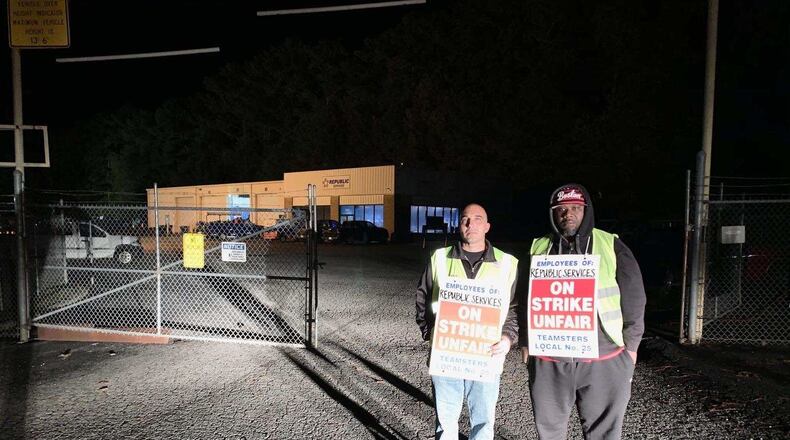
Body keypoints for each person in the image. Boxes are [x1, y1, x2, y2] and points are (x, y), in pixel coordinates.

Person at [519, 184, 646, 440]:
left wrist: (631, 347)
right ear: (553, 214)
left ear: (586, 211)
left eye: (576, 208)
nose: (568, 214)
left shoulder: (611, 244)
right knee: (549, 431)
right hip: (550, 359)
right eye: (562, 209)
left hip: (604, 359)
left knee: (604, 433)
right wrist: (525, 341)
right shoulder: (538, 247)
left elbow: (634, 297)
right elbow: (524, 297)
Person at [416, 203, 519, 440]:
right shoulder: (439, 258)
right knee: (446, 422)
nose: (470, 224)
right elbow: (422, 299)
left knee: (483, 422)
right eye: (465, 219)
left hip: (487, 355)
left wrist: (508, 338)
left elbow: (513, 308)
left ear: (487, 226)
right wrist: (429, 333)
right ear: (459, 224)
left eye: (477, 219)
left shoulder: (507, 263)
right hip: (446, 354)